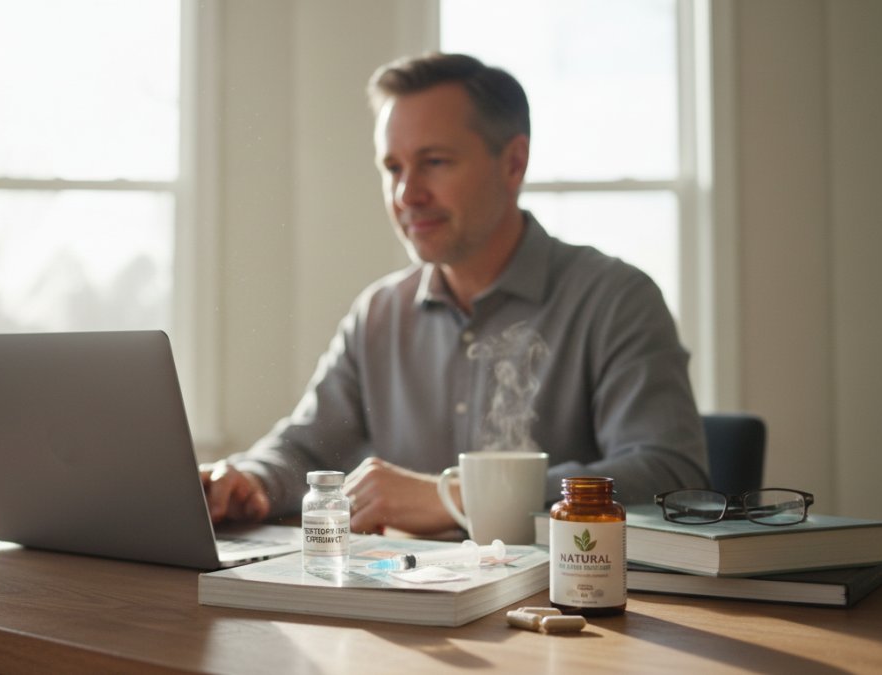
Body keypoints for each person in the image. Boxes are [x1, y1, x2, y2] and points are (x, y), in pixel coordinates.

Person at [200, 53, 708, 536]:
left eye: (435, 162)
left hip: (565, 610)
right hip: (407, 610)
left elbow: (669, 474)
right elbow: (307, 450)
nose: (407, 194)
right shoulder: (378, 313)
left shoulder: (616, 300)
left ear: (513, 164)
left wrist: (455, 497)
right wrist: (250, 480)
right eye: (393, 168)